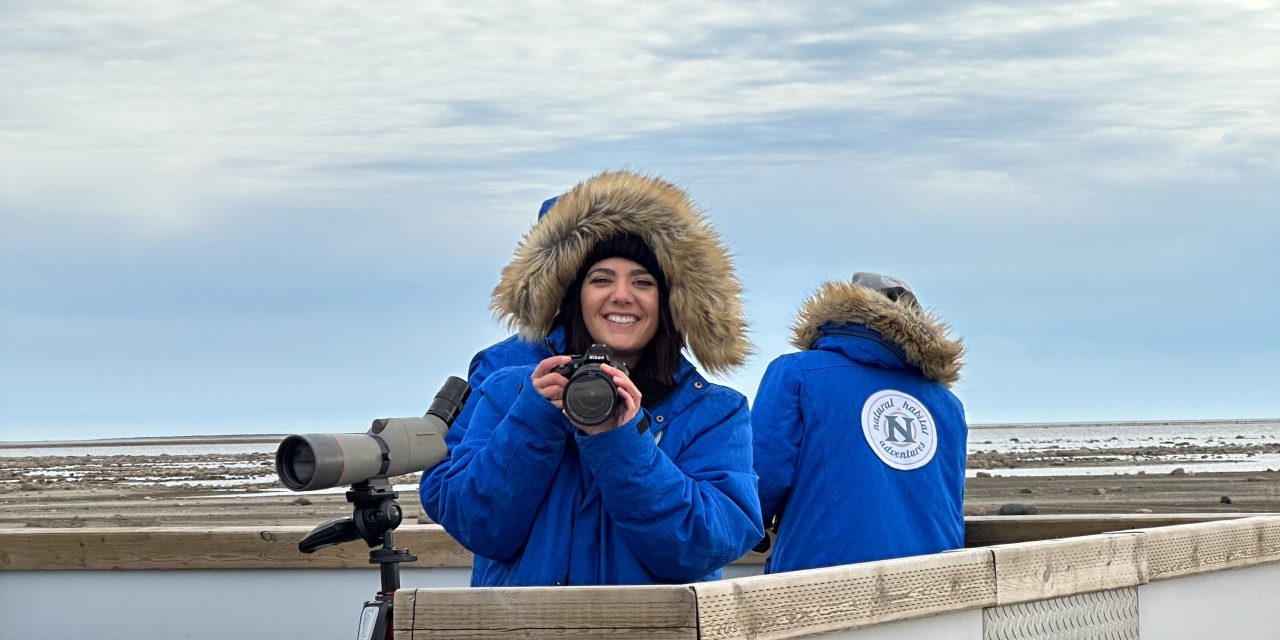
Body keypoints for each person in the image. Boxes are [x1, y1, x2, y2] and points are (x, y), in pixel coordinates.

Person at [420, 170, 763, 586]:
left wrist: (620, 439)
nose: (621, 295)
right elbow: (479, 526)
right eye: (601, 279)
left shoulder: (716, 413)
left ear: (671, 303)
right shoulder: (508, 391)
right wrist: (536, 414)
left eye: (643, 282)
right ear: (573, 299)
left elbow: (701, 547)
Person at [751, 272, 967, 573]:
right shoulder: (947, 404)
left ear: (840, 313)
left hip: (820, 584)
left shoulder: (797, 374)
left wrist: (751, 527)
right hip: (934, 583)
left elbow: (757, 481)